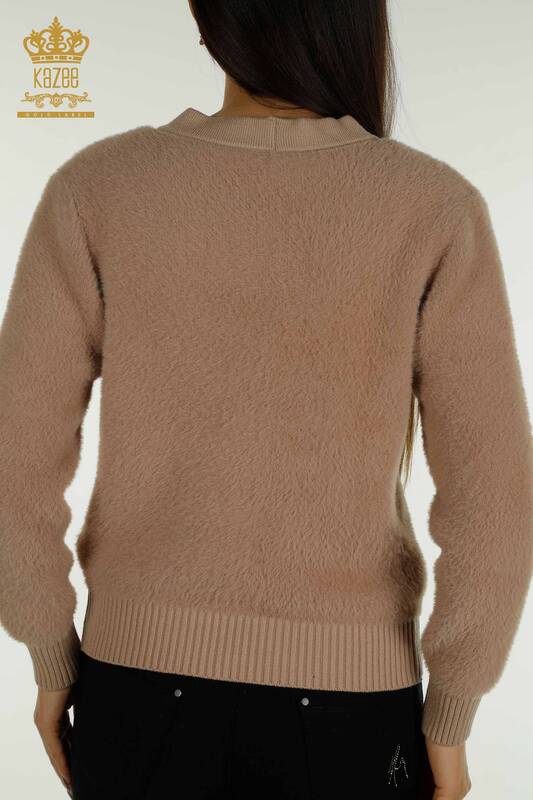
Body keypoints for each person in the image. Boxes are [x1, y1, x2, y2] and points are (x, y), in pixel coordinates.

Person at [0, 1, 531, 798]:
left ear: (207, 17)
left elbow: (12, 453)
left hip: (135, 686)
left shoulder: (100, 187)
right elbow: (494, 493)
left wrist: (49, 649)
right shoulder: (433, 205)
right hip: (354, 706)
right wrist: (450, 716)